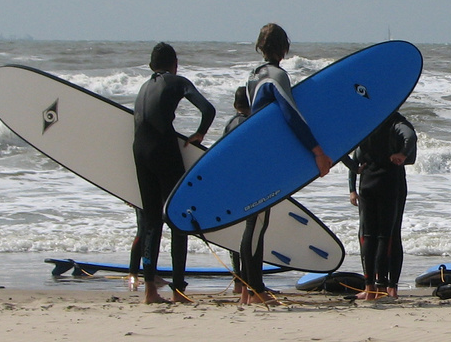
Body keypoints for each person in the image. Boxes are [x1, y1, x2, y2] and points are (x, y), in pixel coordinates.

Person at [239, 23, 335, 304]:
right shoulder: (276, 75)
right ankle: (255, 291)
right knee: (257, 223)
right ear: (284, 48)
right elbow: (291, 116)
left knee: (254, 222)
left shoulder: (252, 77)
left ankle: (249, 290)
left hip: (252, 154)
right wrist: (317, 151)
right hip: (264, 158)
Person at [132, 42, 215, 305]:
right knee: (178, 219)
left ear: (150, 66)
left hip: (139, 151)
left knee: (151, 223)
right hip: (164, 150)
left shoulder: (143, 87)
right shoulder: (177, 82)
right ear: (174, 64)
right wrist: (200, 134)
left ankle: (149, 291)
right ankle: (178, 290)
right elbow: (208, 109)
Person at [345, 110, 417, 301]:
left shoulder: (365, 122)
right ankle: (387, 288)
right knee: (389, 236)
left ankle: (369, 288)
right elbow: (410, 136)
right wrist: (402, 154)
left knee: (367, 236)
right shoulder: (396, 122)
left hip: (367, 183)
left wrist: (353, 173)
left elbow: (346, 151)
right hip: (390, 183)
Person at [219, 88, 251, 278]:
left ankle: (238, 279)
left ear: (234, 105)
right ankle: (248, 279)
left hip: (230, 183)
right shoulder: (249, 123)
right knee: (248, 232)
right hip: (245, 184)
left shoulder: (229, 123)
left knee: (236, 232)